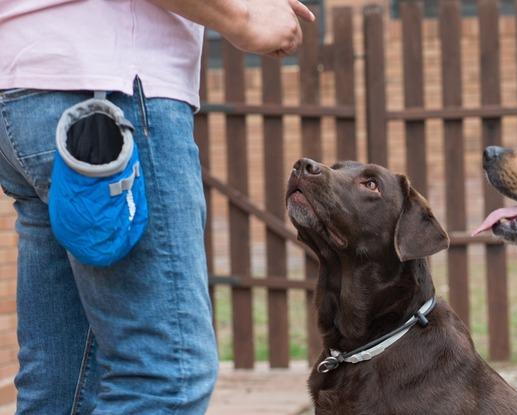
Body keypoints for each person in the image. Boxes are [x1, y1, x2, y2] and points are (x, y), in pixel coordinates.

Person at [0, 0, 314, 413]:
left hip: (21, 86)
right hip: (110, 90)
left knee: (63, 387)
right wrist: (244, 19)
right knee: (165, 376)